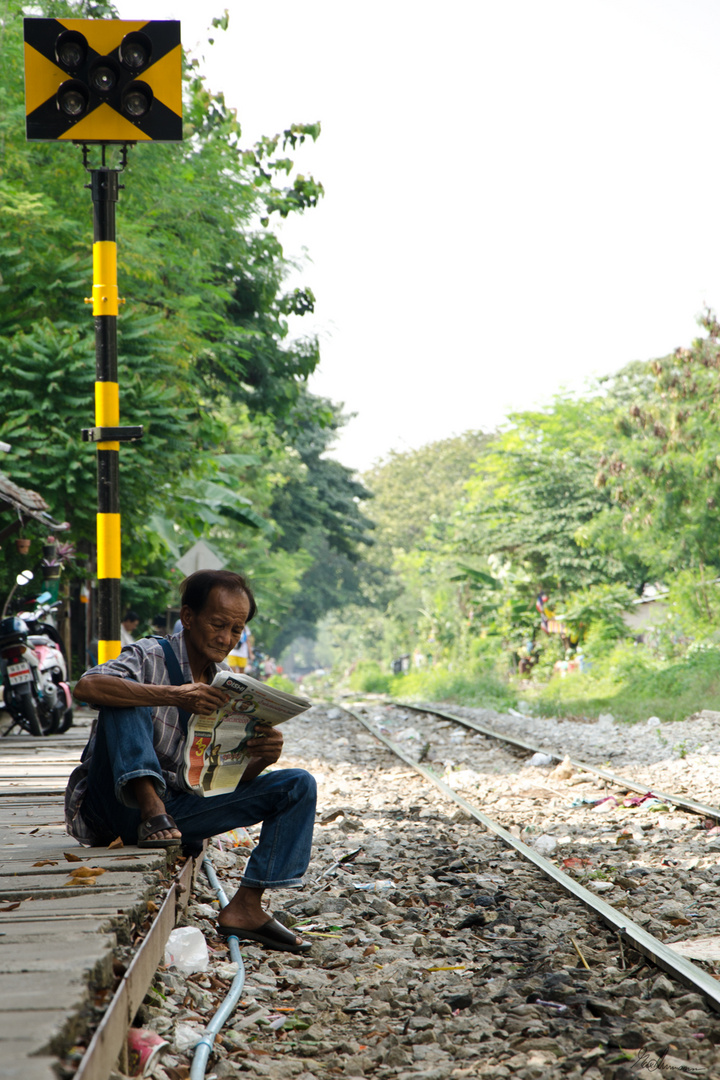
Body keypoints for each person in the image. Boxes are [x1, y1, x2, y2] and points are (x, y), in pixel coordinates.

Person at [65, 570, 316, 953]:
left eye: (236, 629)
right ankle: (151, 807)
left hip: (178, 810)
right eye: (217, 624)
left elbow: (218, 779)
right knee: (126, 698)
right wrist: (173, 695)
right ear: (188, 617)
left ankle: (247, 906)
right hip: (114, 806)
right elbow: (86, 686)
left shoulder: (228, 682)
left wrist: (261, 760)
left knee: (298, 784)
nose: (225, 638)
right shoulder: (149, 656)